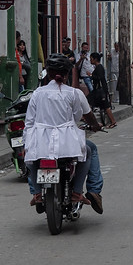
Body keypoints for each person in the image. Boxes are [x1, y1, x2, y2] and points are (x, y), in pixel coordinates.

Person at [24, 54, 102, 207]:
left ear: (48, 73)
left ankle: (37, 193)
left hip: (42, 141)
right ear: (67, 74)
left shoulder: (37, 94)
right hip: (67, 142)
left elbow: (29, 122)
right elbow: (77, 116)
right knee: (86, 152)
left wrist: (27, 144)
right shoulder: (73, 93)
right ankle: (77, 192)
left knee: (31, 159)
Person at [89, 52, 117, 128]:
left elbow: (101, 79)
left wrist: (91, 76)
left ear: (95, 59)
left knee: (104, 106)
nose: (90, 60)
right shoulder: (97, 67)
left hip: (99, 90)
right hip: (98, 90)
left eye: (91, 59)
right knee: (103, 106)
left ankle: (112, 121)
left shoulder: (99, 67)